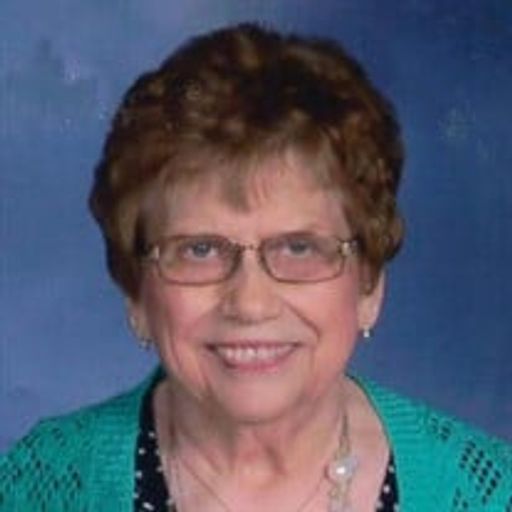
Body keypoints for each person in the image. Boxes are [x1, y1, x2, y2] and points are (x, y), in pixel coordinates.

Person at [1, 23, 510, 512]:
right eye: (200, 250)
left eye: (299, 248)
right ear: (136, 293)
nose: (250, 303)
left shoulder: (489, 494)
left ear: (369, 286)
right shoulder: (40, 486)